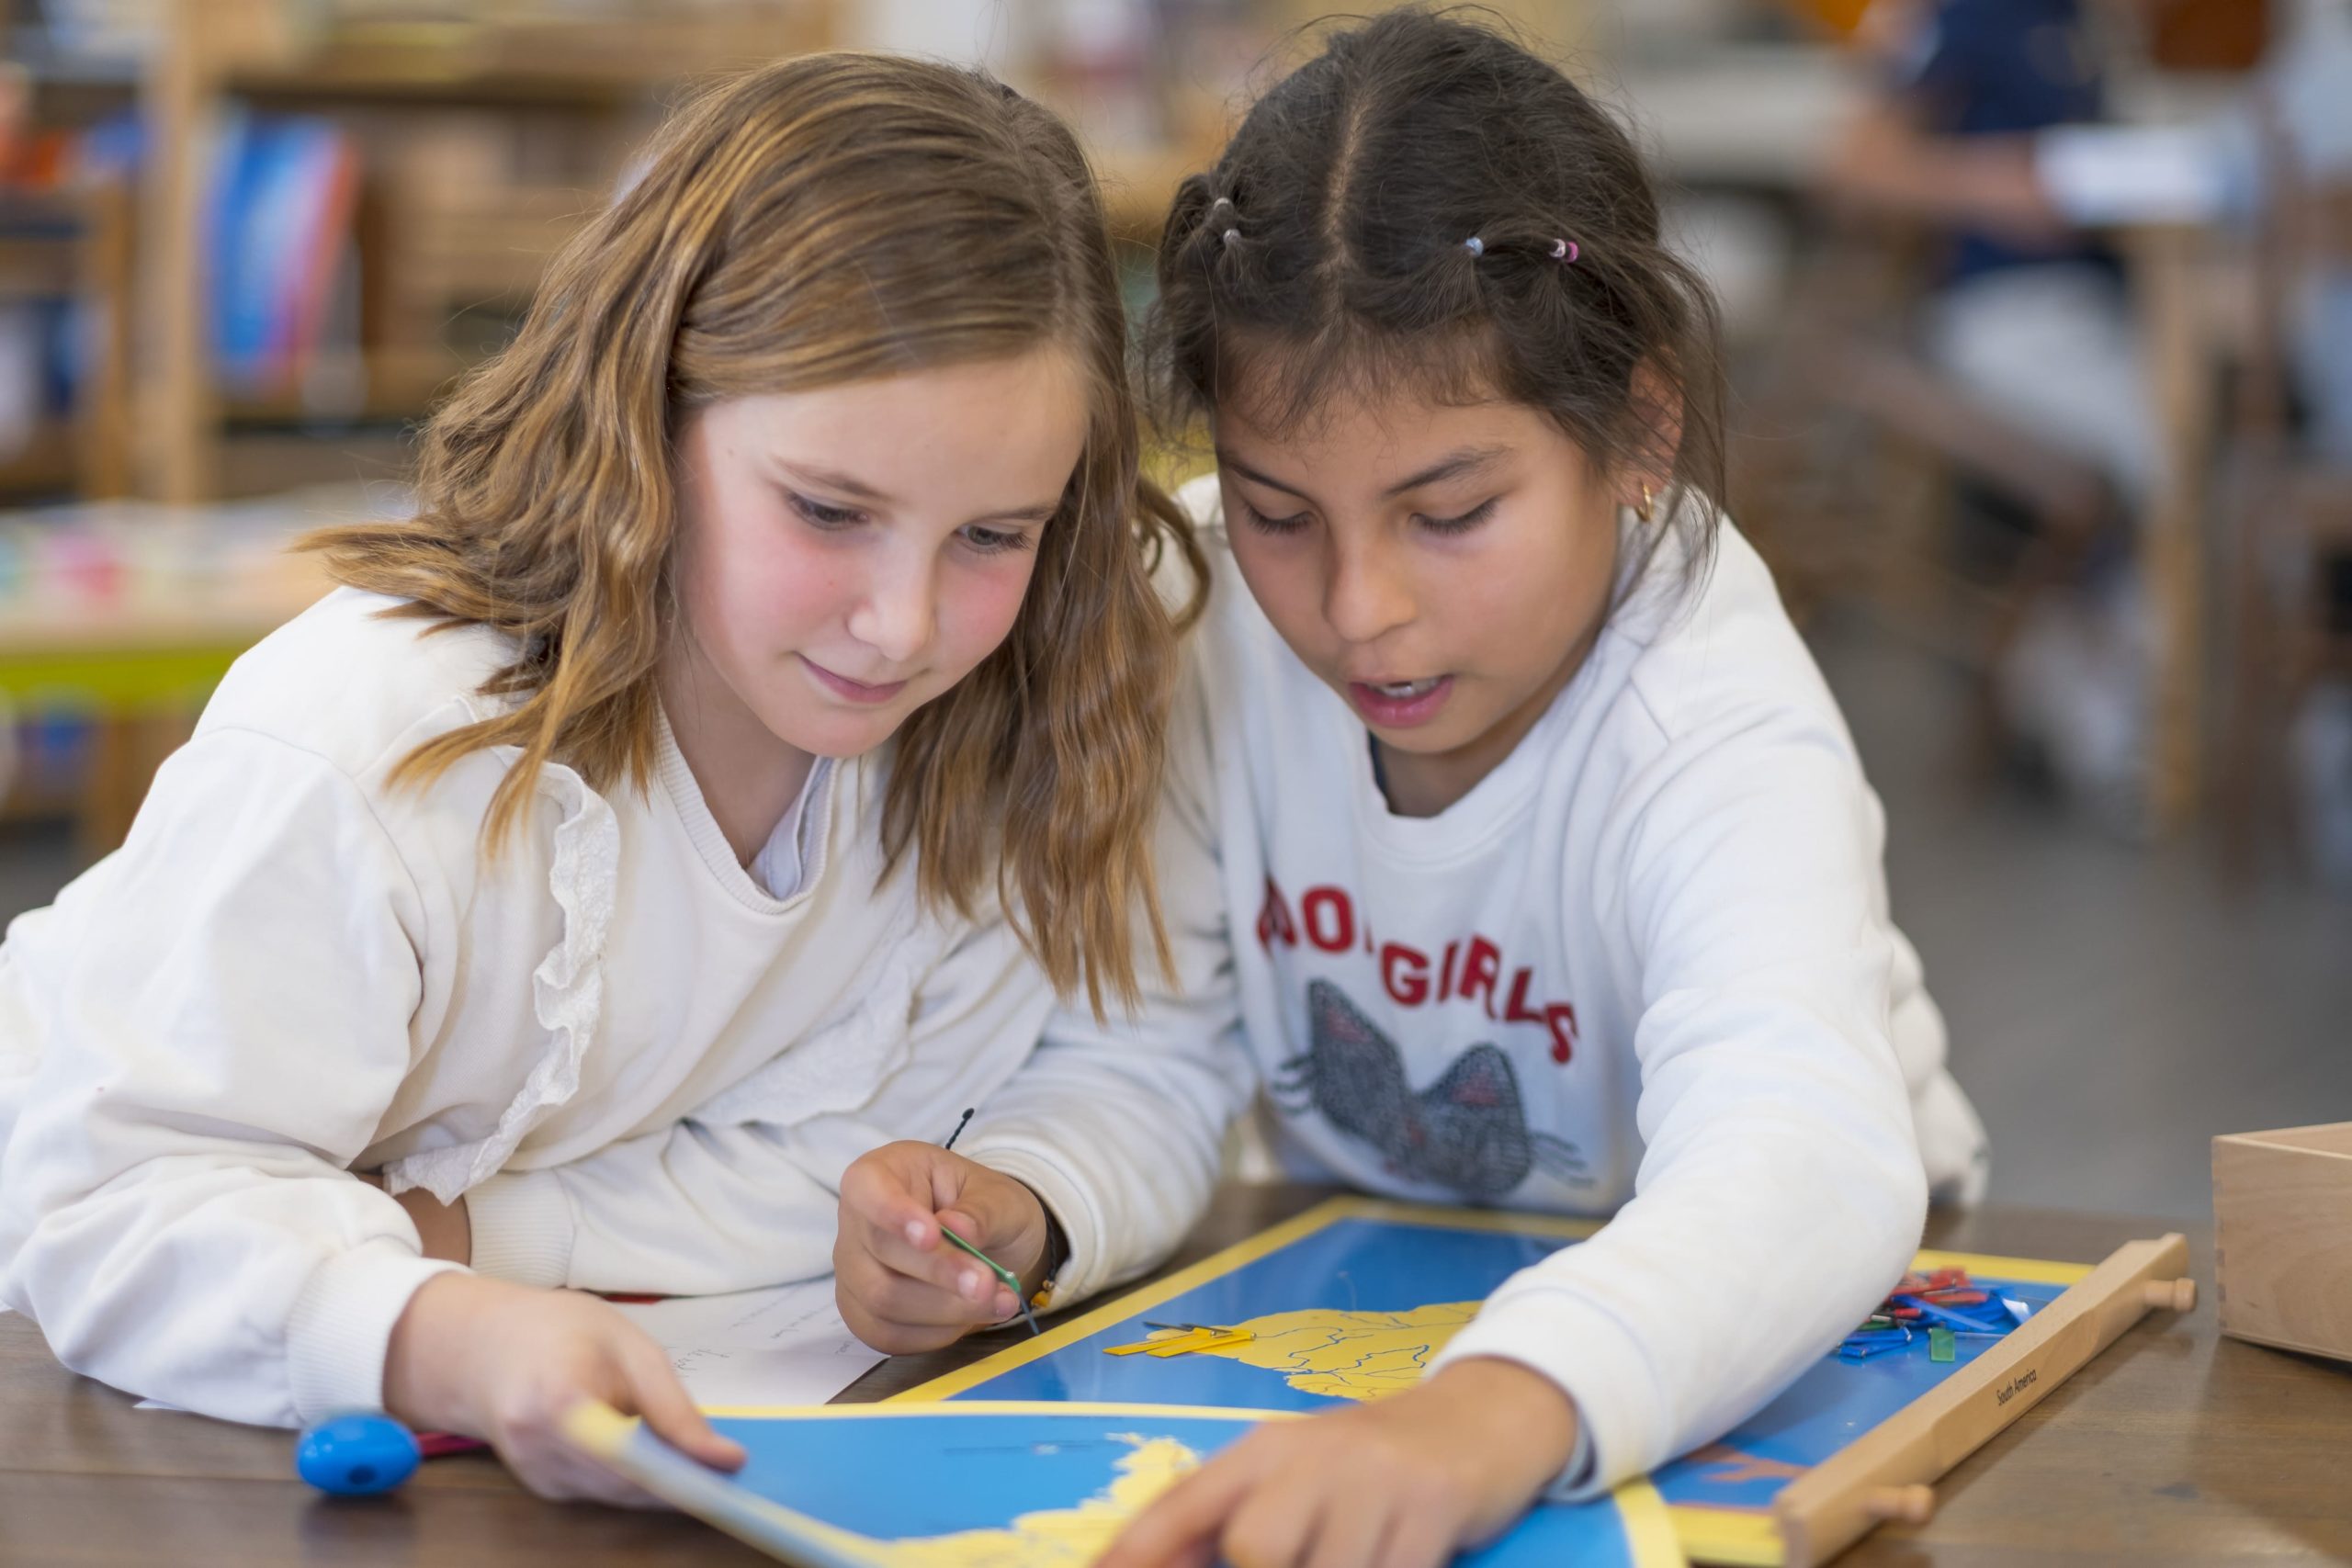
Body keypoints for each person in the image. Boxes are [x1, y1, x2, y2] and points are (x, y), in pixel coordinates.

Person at [0, 51, 1238, 1505]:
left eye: (995, 535)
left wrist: (477, 1238)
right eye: (830, 510)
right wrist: (441, 1328)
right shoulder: (371, 738)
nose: (903, 625)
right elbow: (108, 1205)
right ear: (645, 419)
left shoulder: (1008, 712)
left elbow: (969, 1116)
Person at [1076, 14, 1987, 1565]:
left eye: (1451, 513)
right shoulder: (1203, 613)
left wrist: (1492, 1409)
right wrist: (1033, 1204)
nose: (1360, 608)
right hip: (1406, 1287)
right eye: (1281, 511)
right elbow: (1152, 1044)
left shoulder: (1702, 702)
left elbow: (1803, 1157)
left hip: (1794, 1302)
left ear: (1636, 430)